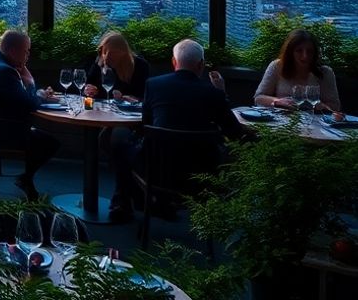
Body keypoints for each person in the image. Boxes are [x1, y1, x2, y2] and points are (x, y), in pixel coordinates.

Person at [109, 39, 244, 222]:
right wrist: (222, 94)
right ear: (200, 65)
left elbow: (145, 125)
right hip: (200, 176)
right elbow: (234, 132)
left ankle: (128, 203)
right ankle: (149, 203)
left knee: (119, 138)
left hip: (156, 171)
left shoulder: (154, 85)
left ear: (174, 62)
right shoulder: (212, 93)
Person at [0, 30, 59, 200]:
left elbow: (21, 99)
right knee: (51, 143)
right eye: (26, 50)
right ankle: (25, 179)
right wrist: (34, 86)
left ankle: (26, 179)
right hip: (3, 130)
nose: (28, 54)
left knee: (43, 139)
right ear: (13, 51)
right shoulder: (4, 71)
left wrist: (33, 90)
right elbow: (28, 104)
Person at [253, 29, 342, 112]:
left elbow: (335, 106)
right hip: (282, 120)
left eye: (309, 51)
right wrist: (278, 101)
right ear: (290, 52)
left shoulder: (325, 72)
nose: (305, 56)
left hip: (314, 122)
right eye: (299, 51)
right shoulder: (277, 66)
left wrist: (322, 106)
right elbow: (259, 98)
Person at [81, 31, 151, 102]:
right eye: (105, 52)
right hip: (102, 108)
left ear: (123, 52)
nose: (107, 57)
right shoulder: (99, 62)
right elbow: (88, 86)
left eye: (113, 53)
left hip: (128, 110)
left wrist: (133, 99)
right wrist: (89, 90)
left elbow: (145, 95)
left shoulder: (140, 65)